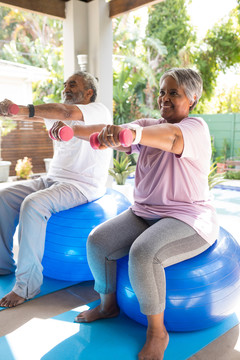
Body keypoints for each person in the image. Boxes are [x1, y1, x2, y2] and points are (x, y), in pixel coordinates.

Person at [74, 68, 219, 360]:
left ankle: (157, 332)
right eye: (163, 92)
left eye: (173, 93)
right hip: (144, 212)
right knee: (97, 242)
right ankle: (108, 304)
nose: (164, 98)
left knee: (144, 253)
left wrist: (135, 134)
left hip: (188, 217)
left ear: (191, 99)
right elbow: (110, 130)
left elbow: (169, 137)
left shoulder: (194, 128)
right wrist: (71, 130)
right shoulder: (146, 125)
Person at [0, 71, 112, 308]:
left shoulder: (98, 110)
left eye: (73, 84)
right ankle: (2, 264)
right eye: (65, 84)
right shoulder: (59, 112)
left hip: (82, 185)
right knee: (4, 196)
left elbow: (65, 113)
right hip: (52, 179)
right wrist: (10, 109)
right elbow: (36, 116)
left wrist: (22, 108)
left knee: (33, 204)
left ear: (89, 92)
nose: (66, 87)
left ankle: (26, 286)